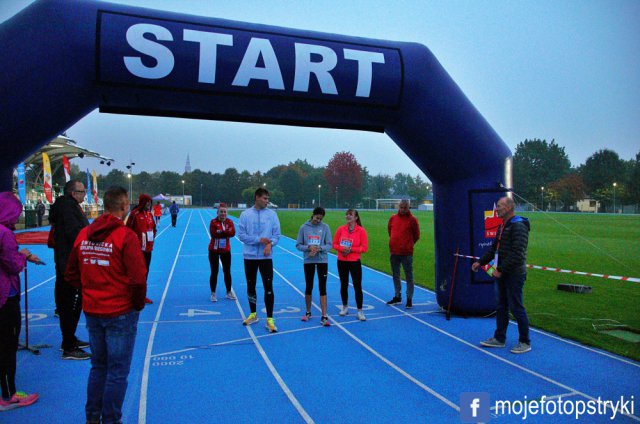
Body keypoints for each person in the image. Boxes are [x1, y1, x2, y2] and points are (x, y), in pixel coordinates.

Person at [65, 186, 147, 424]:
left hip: (92, 310)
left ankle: (92, 417)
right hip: (120, 311)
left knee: (98, 367)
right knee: (117, 371)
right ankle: (111, 419)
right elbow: (138, 278)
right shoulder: (125, 236)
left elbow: (70, 273)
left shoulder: (84, 234)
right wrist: (137, 304)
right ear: (123, 207)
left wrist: (90, 289)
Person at [472, 196, 531, 354]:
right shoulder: (503, 226)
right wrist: (480, 262)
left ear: (509, 208)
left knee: (516, 307)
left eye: (499, 206)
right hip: (502, 274)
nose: (496, 209)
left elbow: (517, 253)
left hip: (513, 274)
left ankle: (525, 341)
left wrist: (501, 269)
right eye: (496, 206)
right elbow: (493, 250)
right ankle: (499, 338)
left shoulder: (518, 226)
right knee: (501, 306)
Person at [0, 192, 39, 411]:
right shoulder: (4, 234)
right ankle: (8, 395)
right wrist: (23, 255)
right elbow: (13, 265)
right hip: (6, 296)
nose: (17, 217)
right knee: (7, 346)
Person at [49, 179, 90, 360]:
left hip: (66, 262)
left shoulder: (68, 207)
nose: (84, 194)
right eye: (82, 191)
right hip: (69, 265)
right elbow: (76, 234)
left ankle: (70, 338)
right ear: (74, 193)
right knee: (71, 305)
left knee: (70, 304)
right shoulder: (68, 209)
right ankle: (68, 346)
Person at [237, 188, 281, 333]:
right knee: (251, 285)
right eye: (265, 198)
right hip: (249, 256)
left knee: (268, 286)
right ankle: (253, 314)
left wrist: (269, 243)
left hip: (266, 258)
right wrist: (258, 240)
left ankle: (270, 319)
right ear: (257, 197)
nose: (267, 201)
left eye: (268, 199)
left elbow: (276, 235)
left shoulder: (272, 215)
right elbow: (242, 235)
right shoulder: (245, 214)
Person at [296, 207, 333, 326]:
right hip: (309, 260)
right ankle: (308, 312)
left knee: (323, 287)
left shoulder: (325, 227)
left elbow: (329, 245)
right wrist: (308, 248)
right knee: (309, 286)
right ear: (313, 215)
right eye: (317, 218)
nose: (318, 221)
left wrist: (319, 248)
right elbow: (298, 245)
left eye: (320, 219)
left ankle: (324, 315)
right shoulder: (303, 227)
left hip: (322, 260)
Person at [333, 209, 368, 321]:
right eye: (347, 214)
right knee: (343, 284)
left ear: (356, 217)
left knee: (357, 286)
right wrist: (342, 249)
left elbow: (364, 248)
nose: (348, 216)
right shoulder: (340, 229)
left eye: (350, 215)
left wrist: (351, 250)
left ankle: (360, 311)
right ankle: (345, 307)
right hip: (342, 261)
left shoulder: (361, 231)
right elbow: (334, 244)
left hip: (354, 262)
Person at [386, 200, 420, 309]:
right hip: (394, 251)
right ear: (398, 207)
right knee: (395, 275)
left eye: (405, 208)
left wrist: (408, 244)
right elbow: (389, 231)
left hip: (406, 253)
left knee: (408, 276)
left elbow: (416, 235)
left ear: (409, 208)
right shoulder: (393, 218)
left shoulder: (413, 220)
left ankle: (409, 298)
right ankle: (397, 296)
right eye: (401, 207)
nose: (403, 209)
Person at [126, 194, 156, 305]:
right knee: (137, 273)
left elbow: (153, 228)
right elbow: (128, 229)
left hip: (148, 248)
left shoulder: (149, 214)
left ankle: (142, 295)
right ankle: (132, 295)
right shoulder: (135, 214)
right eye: (147, 202)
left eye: (150, 202)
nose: (149, 204)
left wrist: (152, 237)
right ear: (142, 202)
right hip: (137, 249)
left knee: (146, 272)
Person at [208, 203, 236, 302]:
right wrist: (225, 232)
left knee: (227, 271)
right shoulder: (213, 222)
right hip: (214, 250)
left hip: (225, 250)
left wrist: (221, 232)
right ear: (217, 212)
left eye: (224, 212)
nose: (223, 214)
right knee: (214, 272)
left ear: (227, 213)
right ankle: (213, 293)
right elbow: (214, 234)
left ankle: (228, 292)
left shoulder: (230, 221)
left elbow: (233, 233)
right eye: (221, 212)